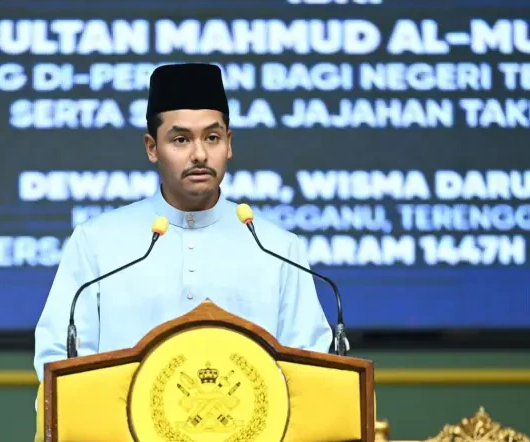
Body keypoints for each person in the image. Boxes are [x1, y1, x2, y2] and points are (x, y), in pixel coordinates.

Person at [33, 62, 333, 382]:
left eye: (213, 137)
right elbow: (60, 360)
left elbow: (310, 364)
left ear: (229, 143)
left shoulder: (278, 247)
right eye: (181, 140)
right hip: (122, 430)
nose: (200, 154)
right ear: (152, 148)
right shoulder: (96, 242)